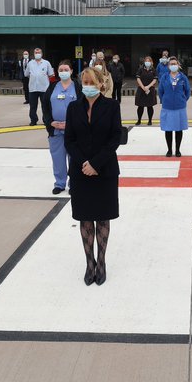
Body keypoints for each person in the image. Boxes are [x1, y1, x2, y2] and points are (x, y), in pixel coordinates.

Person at [65, 67, 122, 285]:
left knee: (102, 217)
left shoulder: (112, 106)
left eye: (91, 82)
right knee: (85, 218)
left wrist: (96, 163)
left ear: (100, 84)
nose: (87, 86)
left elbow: (115, 138)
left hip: (104, 170)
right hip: (81, 172)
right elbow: (69, 140)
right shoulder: (73, 108)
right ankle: (90, 263)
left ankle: (101, 262)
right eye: (84, 82)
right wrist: (84, 164)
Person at [41, 61, 79, 195]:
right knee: (58, 159)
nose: (63, 72)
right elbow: (45, 107)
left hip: (73, 131)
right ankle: (59, 183)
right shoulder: (52, 87)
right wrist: (50, 122)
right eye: (61, 70)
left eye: (66, 69)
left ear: (71, 71)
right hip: (56, 130)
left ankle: (74, 183)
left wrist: (73, 123)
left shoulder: (78, 87)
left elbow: (83, 108)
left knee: (74, 158)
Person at [158, 56, 192, 157]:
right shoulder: (164, 77)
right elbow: (160, 91)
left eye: (175, 64)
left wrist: (182, 99)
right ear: (168, 66)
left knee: (178, 129)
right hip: (167, 107)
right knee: (168, 129)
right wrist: (164, 100)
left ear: (178, 65)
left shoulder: (183, 77)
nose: (173, 65)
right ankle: (169, 149)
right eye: (171, 64)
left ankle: (177, 150)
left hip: (179, 107)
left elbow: (187, 91)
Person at [24, 47, 54, 126]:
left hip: (44, 88)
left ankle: (46, 120)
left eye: (39, 52)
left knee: (45, 106)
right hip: (33, 88)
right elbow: (26, 74)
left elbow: (51, 74)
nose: (37, 54)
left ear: (42, 54)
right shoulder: (30, 63)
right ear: (34, 54)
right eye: (36, 53)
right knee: (33, 106)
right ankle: (33, 120)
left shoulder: (46, 63)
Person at [134, 56, 158, 125]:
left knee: (150, 106)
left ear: (151, 62)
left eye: (149, 61)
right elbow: (138, 78)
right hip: (141, 89)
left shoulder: (153, 69)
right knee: (140, 106)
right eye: (146, 61)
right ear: (144, 62)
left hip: (150, 89)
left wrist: (148, 86)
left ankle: (150, 120)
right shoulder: (140, 69)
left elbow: (155, 79)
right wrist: (143, 87)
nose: (147, 62)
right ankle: (139, 120)